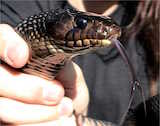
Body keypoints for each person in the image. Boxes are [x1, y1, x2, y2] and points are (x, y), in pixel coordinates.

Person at [0, 0, 159, 126]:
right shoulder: (20, 6)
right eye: (82, 24)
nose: (105, 31)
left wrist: (79, 121)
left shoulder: (152, 29)